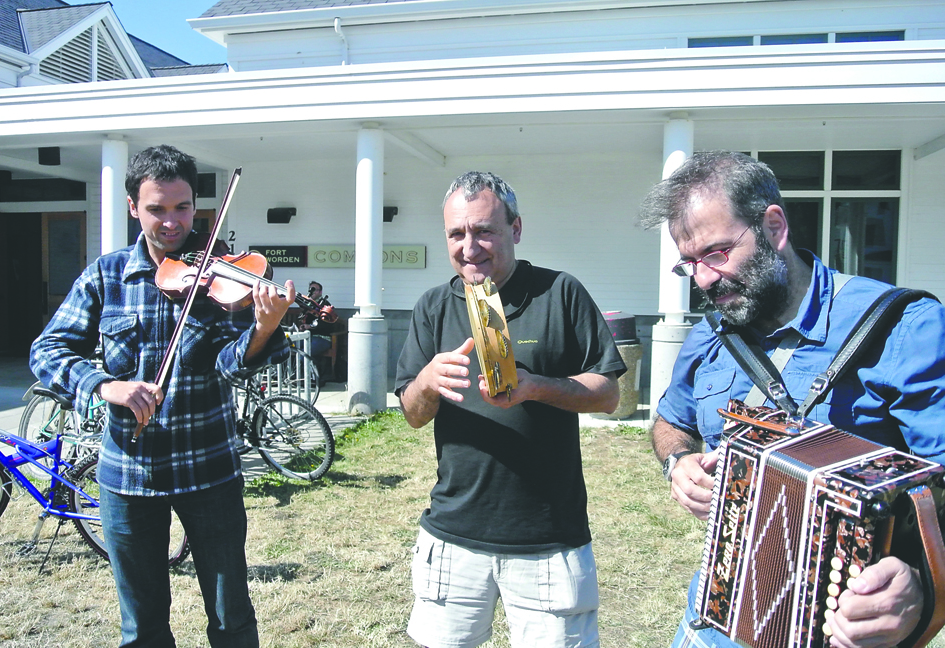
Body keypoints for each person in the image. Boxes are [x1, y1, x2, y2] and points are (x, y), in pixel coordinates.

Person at [639, 150, 945, 648]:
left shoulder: (903, 327)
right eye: (688, 264)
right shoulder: (710, 333)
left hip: (844, 623)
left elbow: (941, 486)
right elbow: (670, 421)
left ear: (773, 227)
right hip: (716, 613)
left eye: (716, 253)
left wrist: (914, 583)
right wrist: (677, 461)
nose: (703, 280)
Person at [30, 145, 295, 648]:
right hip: (128, 477)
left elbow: (231, 363)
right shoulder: (107, 277)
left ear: (196, 206)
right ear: (134, 207)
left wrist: (263, 328)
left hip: (209, 469)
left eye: (182, 208)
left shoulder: (224, 278)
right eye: (156, 209)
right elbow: (48, 348)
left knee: (230, 614)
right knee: (142, 624)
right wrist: (104, 385)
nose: (172, 223)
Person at [395, 170, 626, 648]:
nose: (469, 246)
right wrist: (426, 382)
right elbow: (413, 413)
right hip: (453, 533)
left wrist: (536, 387)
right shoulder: (433, 306)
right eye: (456, 233)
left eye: (484, 230)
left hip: (548, 538)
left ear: (515, 230)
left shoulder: (560, 292)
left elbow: (607, 393)